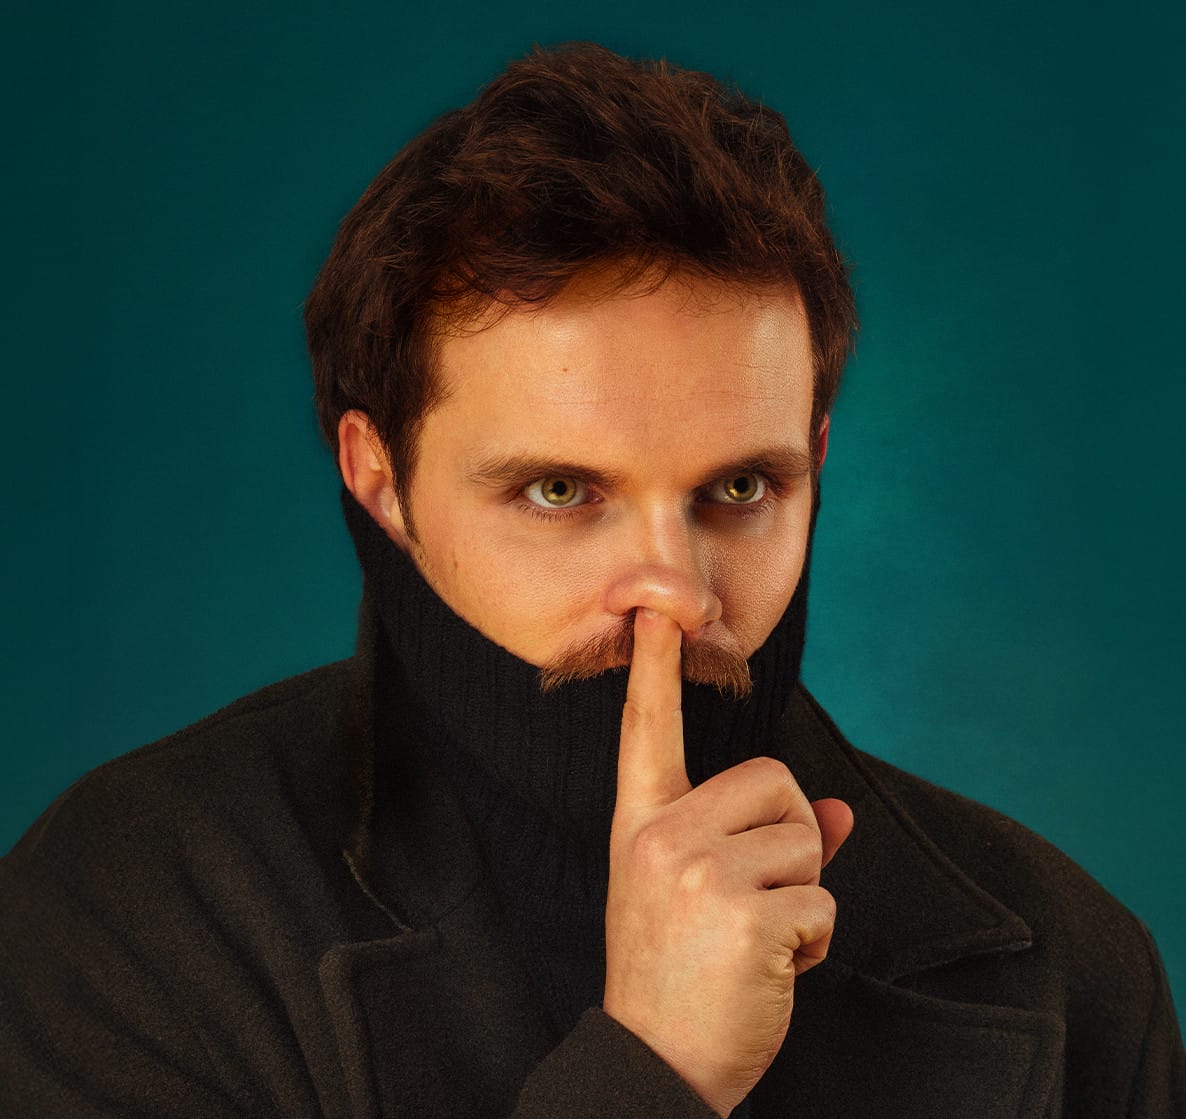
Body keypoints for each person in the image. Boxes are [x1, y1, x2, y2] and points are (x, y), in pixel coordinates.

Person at [1, 41, 1181, 1119]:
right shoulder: (124, 913)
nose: (673, 590)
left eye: (738, 491)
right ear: (379, 481)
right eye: (560, 493)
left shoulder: (1071, 966)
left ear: (816, 462)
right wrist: (652, 1072)